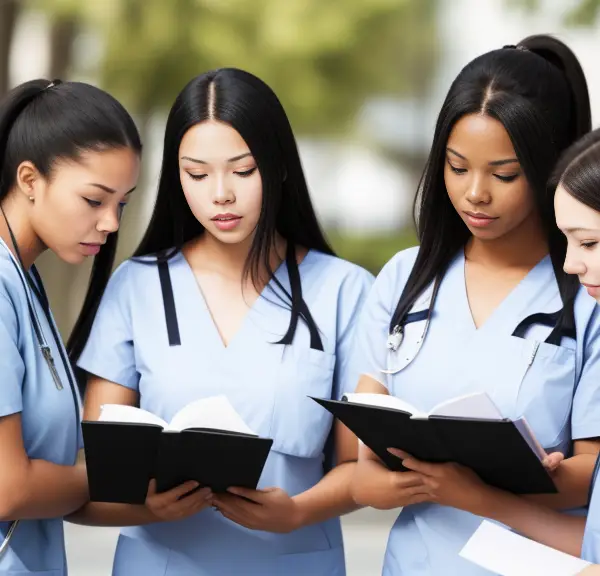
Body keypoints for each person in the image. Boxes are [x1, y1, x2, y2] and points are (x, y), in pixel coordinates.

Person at [70, 67, 373, 575]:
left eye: (242, 169)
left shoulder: (345, 290)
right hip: (160, 561)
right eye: (196, 173)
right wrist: (144, 507)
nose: (221, 194)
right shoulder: (138, 285)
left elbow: (358, 468)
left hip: (293, 561)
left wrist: (299, 512)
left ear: (277, 166)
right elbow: (100, 466)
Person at [349, 35, 600, 575]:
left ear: (548, 166)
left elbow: (593, 475)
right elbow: (363, 470)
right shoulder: (403, 278)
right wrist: (412, 480)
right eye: (457, 167)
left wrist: (474, 486)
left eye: (504, 174)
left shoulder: (589, 290)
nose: (475, 193)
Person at [393, 127, 600, 575]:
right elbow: (592, 549)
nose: (569, 264)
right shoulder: (404, 275)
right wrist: (484, 498)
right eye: (458, 167)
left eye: (589, 242)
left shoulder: (585, 312)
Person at [0, 78, 141, 574]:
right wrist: (122, 477)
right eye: (94, 200)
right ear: (29, 179)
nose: (111, 223)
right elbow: (8, 488)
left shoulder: (24, 278)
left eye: (121, 203)